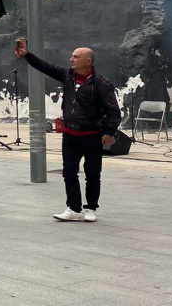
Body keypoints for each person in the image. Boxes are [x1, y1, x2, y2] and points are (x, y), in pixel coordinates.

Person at [16, 38, 120, 222]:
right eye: (71, 56)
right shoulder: (68, 75)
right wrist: (26, 54)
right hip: (70, 135)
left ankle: (90, 209)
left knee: (92, 174)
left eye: (76, 57)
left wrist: (109, 133)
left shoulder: (102, 84)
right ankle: (73, 208)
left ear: (88, 61)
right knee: (69, 172)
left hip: (92, 136)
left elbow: (113, 110)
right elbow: (45, 67)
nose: (71, 59)